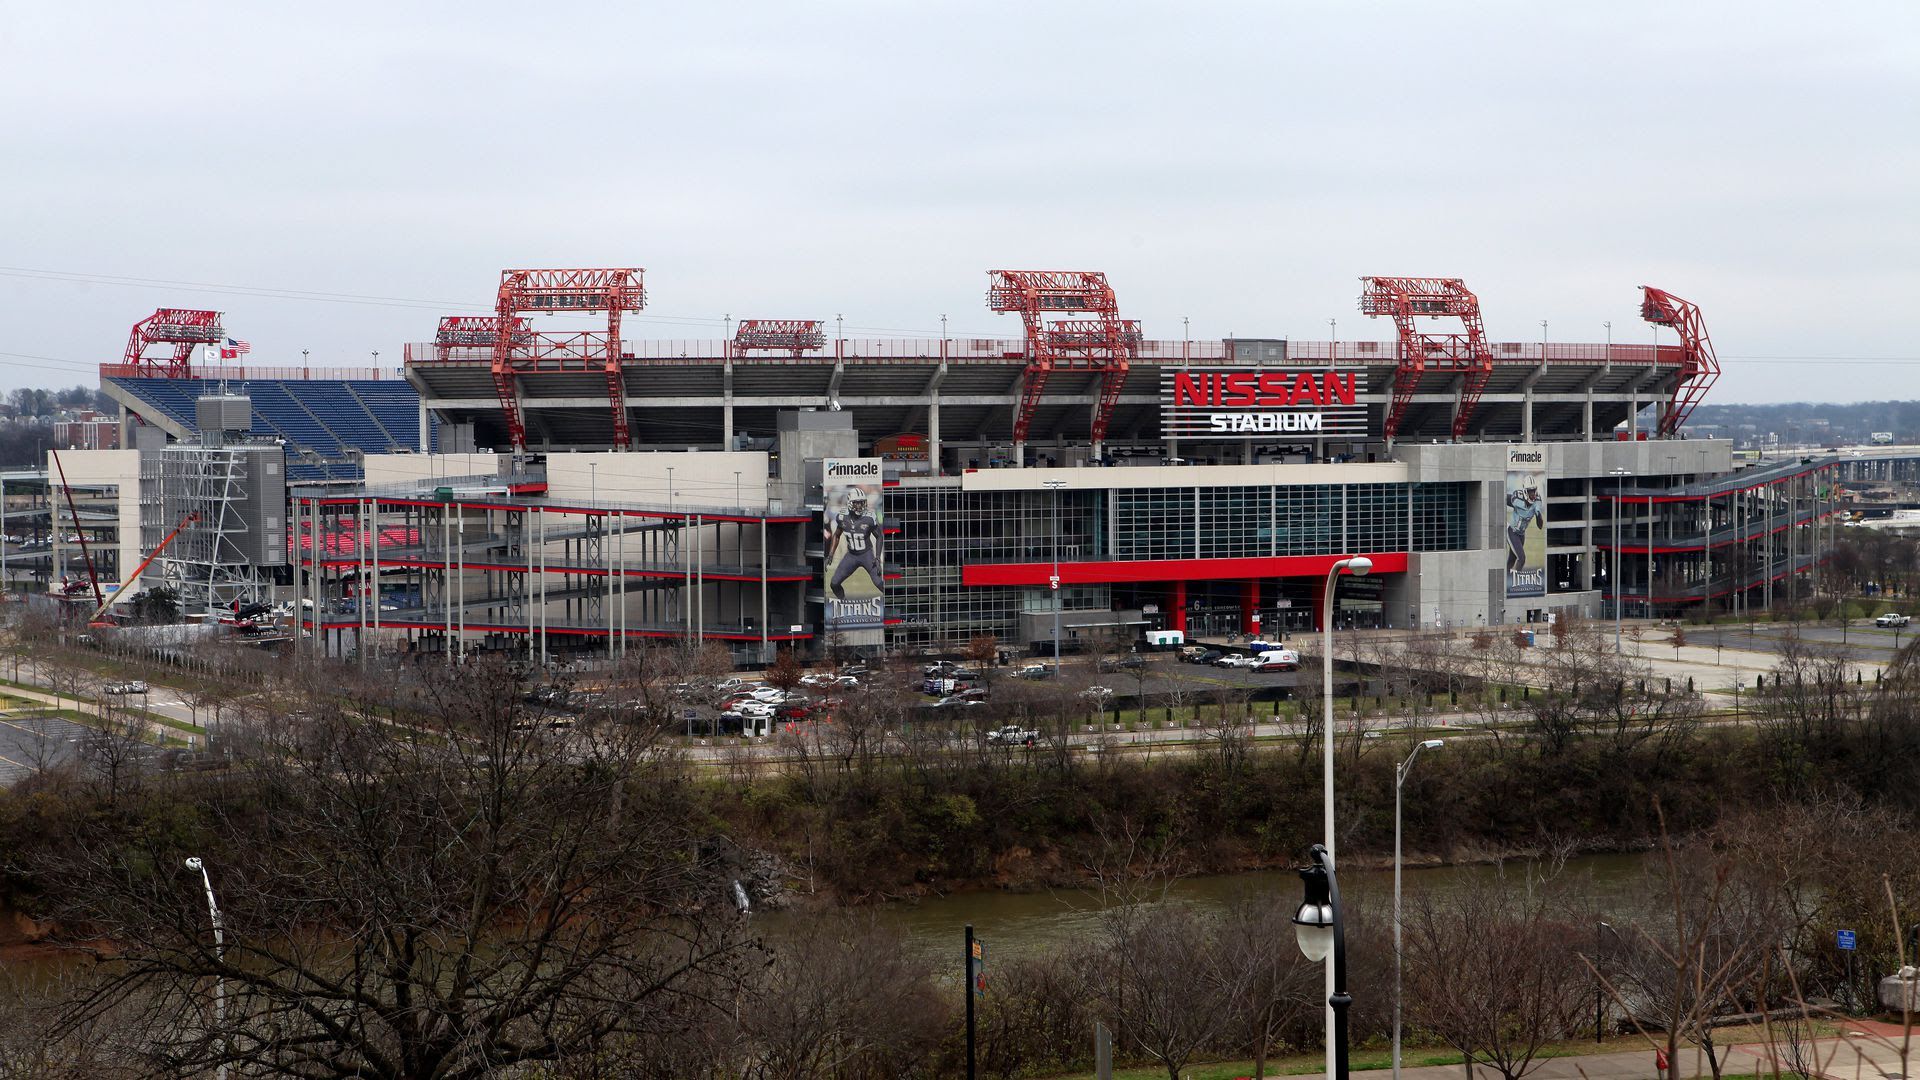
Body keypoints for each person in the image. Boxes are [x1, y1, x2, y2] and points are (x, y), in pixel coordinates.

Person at [825, 489, 882, 600]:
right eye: (856, 502)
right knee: (834, 583)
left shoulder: (869, 518)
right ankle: (844, 602)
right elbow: (836, 535)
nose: (860, 505)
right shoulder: (842, 517)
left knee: (879, 583)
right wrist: (830, 554)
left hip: (867, 555)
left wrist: (878, 557)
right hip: (851, 555)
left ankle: (891, 603)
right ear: (850, 503)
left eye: (861, 502)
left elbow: (879, 536)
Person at [1505, 477, 1545, 573]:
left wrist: (1538, 516)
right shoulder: (1517, 499)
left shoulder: (1537, 502)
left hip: (1521, 534)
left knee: (1512, 558)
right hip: (1512, 531)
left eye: (1533, 490)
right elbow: (1504, 498)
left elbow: (1540, 526)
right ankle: (1515, 581)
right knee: (1521, 559)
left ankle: (1505, 578)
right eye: (1530, 491)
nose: (1532, 494)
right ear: (1525, 491)